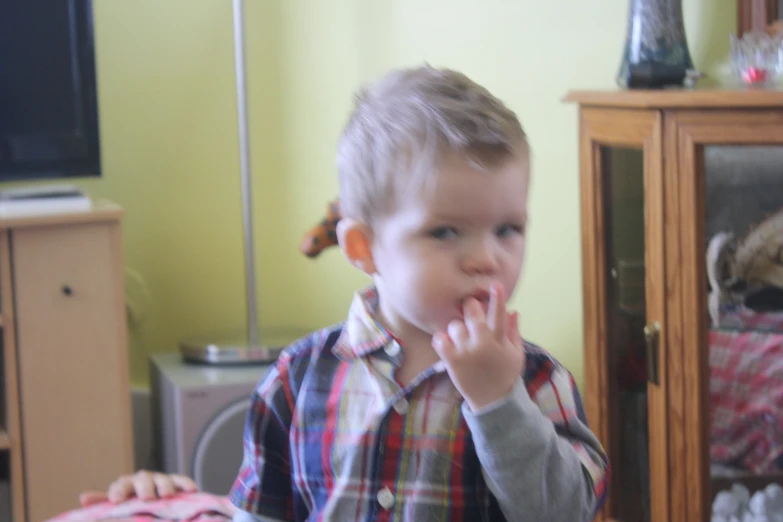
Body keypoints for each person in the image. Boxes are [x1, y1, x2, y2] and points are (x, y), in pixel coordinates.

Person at [87, 65, 609, 521]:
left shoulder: (538, 381)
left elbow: (565, 512)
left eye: (508, 229)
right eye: (445, 231)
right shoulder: (297, 378)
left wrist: (499, 403)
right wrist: (165, 499)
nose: (487, 258)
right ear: (364, 247)